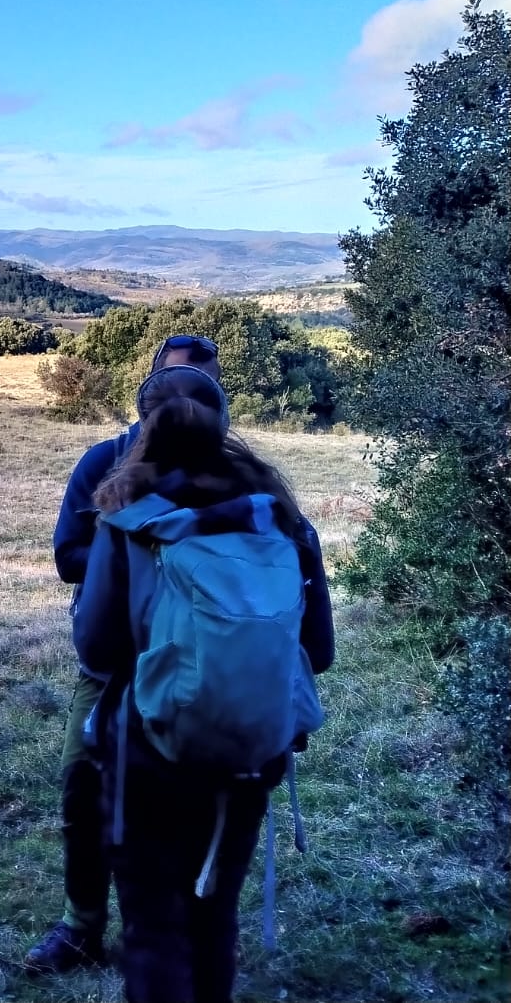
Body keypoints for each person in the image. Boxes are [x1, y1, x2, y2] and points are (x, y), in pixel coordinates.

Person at [73, 363, 334, 1003]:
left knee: (155, 927)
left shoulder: (130, 516)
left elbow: (98, 647)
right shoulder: (282, 520)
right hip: (253, 748)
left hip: (150, 752)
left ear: (143, 424)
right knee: (214, 915)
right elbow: (318, 651)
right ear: (225, 423)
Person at [26, 334, 229, 974]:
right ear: (145, 398)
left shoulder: (236, 477)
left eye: (200, 389)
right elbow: (68, 556)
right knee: (82, 789)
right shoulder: (103, 463)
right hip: (114, 661)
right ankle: (82, 924)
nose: (183, 404)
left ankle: (188, 925)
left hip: (202, 667)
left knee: (195, 804)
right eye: (171, 390)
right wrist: (144, 559)